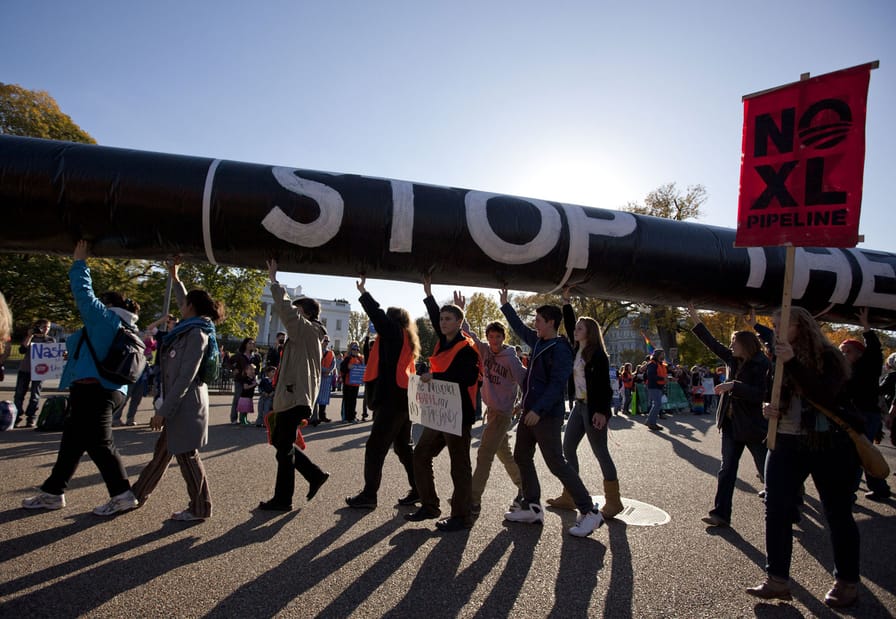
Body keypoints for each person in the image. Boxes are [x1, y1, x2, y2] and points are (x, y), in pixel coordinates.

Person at [746, 306, 863, 608]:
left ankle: (847, 582)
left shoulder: (829, 357)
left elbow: (824, 394)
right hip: (784, 441)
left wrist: (792, 362)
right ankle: (777, 580)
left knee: (837, 513)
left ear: (801, 326)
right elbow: (772, 393)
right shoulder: (779, 356)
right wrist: (768, 408)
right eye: (773, 324)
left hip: (826, 443)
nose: (775, 329)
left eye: (780, 323)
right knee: (776, 510)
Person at [22, 240, 139, 516]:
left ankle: (122, 494)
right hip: (103, 388)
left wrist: (80, 261)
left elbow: (84, 295)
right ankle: (53, 491)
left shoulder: (104, 319)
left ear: (108, 304)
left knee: (100, 444)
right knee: (72, 443)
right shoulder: (119, 325)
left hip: (94, 389)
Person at [500, 289, 604, 537]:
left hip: (545, 415)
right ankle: (532, 507)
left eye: (538, 320)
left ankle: (590, 511)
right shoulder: (538, 341)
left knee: (556, 462)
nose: (534, 324)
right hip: (529, 412)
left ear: (551, 324)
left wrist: (538, 409)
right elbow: (518, 328)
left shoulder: (561, 349)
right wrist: (505, 305)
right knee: (522, 456)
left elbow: (557, 385)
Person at [131, 257, 224, 521]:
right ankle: (136, 494)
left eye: (183, 305)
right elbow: (186, 301)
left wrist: (163, 409)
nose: (180, 308)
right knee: (163, 453)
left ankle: (200, 507)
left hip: (184, 404)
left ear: (191, 307)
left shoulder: (196, 333)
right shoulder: (195, 326)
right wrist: (176, 278)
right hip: (180, 403)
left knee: (185, 455)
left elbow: (185, 376)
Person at [404, 276, 481, 532]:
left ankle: (462, 516)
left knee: (459, 466)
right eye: (441, 319)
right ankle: (429, 505)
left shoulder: (467, 348)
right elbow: (435, 313)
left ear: (460, 323)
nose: (443, 322)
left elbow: (468, 377)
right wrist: (428, 294)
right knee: (421, 454)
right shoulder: (443, 341)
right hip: (440, 414)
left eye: (449, 319)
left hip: (458, 415)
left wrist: (435, 376)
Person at [687, 303, 770, 528]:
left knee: (767, 471)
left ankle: (787, 507)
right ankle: (721, 514)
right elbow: (713, 344)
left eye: (734, 342)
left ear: (745, 345)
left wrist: (734, 385)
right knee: (726, 471)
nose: (731, 346)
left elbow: (761, 394)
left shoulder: (762, 364)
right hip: (732, 425)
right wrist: (695, 318)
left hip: (753, 426)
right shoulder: (733, 360)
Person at [258, 260, 330, 511]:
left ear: (307, 313)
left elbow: (287, 311)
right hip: (294, 395)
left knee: (283, 448)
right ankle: (313, 475)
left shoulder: (307, 330)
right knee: (282, 445)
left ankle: (284, 498)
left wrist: (275, 282)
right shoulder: (308, 333)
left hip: (295, 396)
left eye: (298, 310)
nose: (291, 316)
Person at [547, 290, 624, 519]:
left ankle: (614, 501)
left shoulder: (598, 355)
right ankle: (571, 494)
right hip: (579, 407)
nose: (576, 329)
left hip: (593, 409)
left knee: (601, 452)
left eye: (580, 328)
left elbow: (604, 387)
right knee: (568, 448)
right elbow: (570, 322)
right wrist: (566, 303)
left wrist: (602, 411)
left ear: (589, 332)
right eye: (576, 327)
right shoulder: (577, 349)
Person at [345, 276, 420, 509]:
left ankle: (369, 495)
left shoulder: (394, 333)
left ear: (392, 320)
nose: (381, 322)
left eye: (386, 318)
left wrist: (364, 292)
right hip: (400, 400)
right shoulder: (403, 337)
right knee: (402, 447)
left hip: (391, 401)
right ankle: (419, 489)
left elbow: (376, 315)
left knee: (375, 447)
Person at [454, 291, 526, 518]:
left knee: (484, 453)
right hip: (491, 411)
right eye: (491, 337)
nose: (494, 341)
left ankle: (473, 500)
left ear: (503, 338)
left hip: (503, 413)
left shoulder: (511, 358)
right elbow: (469, 334)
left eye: (498, 337)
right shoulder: (484, 350)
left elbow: (526, 380)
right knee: (504, 453)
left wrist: (522, 403)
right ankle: (526, 488)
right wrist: (461, 310)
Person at [839, 308, 891, 501]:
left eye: (848, 351)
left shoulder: (867, 366)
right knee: (862, 453)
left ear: (860, 353)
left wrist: (866, 327)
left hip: (867, 416)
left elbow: (875, 350)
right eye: (842, 351)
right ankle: (880, 489)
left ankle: (849, 492)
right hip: (854, 415)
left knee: (858, 455)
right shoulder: (845, 371)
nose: (844, 354)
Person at [13, 318, 55, 428]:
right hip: (25, 369)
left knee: (35, 395)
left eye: (48, 327)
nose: (46, 329)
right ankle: (17, 416)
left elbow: (57, 355)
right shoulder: (31, 338)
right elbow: (22, 350)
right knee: (19, 394)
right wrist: (29, 335)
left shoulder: (50, 340)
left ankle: (31, 417)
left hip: (40, 372)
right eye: (43, 327)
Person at [230, 337, 257, 425]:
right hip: (240, 379)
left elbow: (257, 367)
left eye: (253, 343)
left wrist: (255, 375)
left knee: (247, 399)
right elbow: (228, 362)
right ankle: (234, 418)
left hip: (249, 380)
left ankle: (243, 418)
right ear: (245, 344)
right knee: (237, 398)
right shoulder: (239, 355)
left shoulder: (255, 356)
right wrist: (234, 369)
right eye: (249, 343)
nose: (251, 345)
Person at [311, 337, 335, 425]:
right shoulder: (316, 351)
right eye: (325, 341)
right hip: (317, 376)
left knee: (323, 398)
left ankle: (322, 416)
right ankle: (313, 417)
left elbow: (333, 364)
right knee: (315, 397)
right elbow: (314, 364)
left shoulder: (331, 353)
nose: (326, 343)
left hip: (326, 378)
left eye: (327, 341)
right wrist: (324, 370)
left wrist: (329, 370)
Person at [340, 341, 364, 423]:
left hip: (356, 384)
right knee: (347, 400)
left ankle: (352, 417)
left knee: (353, 401)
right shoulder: (347, 358)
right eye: (354, 348)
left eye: (357, 349)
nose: (356, 350)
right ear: (351, 349)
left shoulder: (360, 359)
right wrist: (348, 367)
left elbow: (362, 370)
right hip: (348, 383)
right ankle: (345, 417)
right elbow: (342, 369)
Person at [644, 349, 667, 431]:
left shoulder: (660, 364)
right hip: (653, 386)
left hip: (659, 386)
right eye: (662, 354)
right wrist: (662, 378)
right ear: (657, 355)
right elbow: (651, 376)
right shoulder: (652, 364)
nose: (663, 356)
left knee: (657, 404)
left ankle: (651, 422)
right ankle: (651, 422)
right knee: (657, 404)